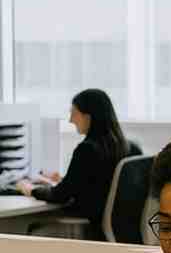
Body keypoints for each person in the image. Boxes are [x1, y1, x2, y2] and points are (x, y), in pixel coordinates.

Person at [17, 88, 142, 239]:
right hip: (124, 228)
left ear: (88, 117)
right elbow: (102, 184)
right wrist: (65, 180)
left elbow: (60, 195)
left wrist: (30, 189)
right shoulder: (132, 148)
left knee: (29, 228)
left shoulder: (87, 150)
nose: (70, 120)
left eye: (74, 113)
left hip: (92, 224)